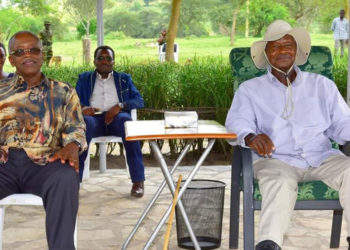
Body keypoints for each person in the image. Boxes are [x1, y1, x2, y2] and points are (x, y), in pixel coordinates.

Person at [226, 20, 350, 250]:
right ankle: (269, 244)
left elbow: (343, 123)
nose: (283, 50)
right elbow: (237, 123)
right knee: (279, 180)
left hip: (321, 157)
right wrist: (251, 137)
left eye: (288, 45)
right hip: (274, 159)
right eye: (275, 46)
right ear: (267, 53)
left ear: (297, 50)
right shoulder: (250, 90)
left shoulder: (322, 86)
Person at [0, 31, 86, 249]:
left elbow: (76, 126)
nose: (28, 55)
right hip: (3, 164)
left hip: (46, 163)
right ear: (11, 59)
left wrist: (73, 145)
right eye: (20, 51)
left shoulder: (63, 91)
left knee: (66, 176)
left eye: (34, 50)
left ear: (42, 54)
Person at [75, 45, 145, 198]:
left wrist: (121, 106)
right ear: (94, 61)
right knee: (83, 127)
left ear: (113, 62)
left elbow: (139, 101)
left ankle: (138, 181)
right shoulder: (84, 78)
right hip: (93, 118)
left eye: (108, 58)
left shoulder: (124, 79)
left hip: (117, 118)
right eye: (101, 58)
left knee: (128, 125)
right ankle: (73, 182)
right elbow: (72, 102)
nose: (104, 61)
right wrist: (83, 108)